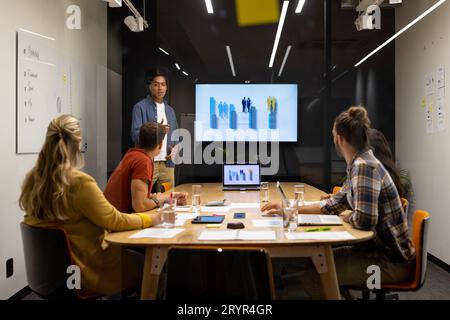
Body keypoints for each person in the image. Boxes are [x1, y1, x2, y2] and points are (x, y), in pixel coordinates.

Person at [262, 106, 415, 299]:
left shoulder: (364, 167)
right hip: (373, 252)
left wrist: (347, 215)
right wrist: (287, 208)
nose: (333, 138)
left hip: (389, 262)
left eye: (334, 135)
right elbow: (333, 204)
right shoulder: (358, 163)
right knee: (316, 263)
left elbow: (365, 221)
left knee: (315, 278)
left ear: (340, 139)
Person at [19, 115, 161, 297]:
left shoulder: (33, 180)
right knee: (151, 264)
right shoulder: (79, 183)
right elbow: (115, 221)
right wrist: (153, 218)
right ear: (78, 145)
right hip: (89, 270)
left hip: (52, 276)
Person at [105, 122, 187, 213]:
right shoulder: (143, 161)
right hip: (115, 222)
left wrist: (168, 198)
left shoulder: (132, 154)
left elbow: (137, 195)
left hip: (111, 216)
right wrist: (158, 200)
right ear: (161, 144)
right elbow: (140, 205)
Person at [131, 69, 179, 192]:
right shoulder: (140, 107)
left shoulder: (170, 110)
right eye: (156, 84)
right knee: (142, 199)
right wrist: (158, 130)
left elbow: (176, 135)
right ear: (150, 86)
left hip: (167, 164)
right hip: (148, 162)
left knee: (168, 201)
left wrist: (174, 149)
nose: (160, 88)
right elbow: (135, 135)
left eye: (163, 84)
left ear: (166, 87)